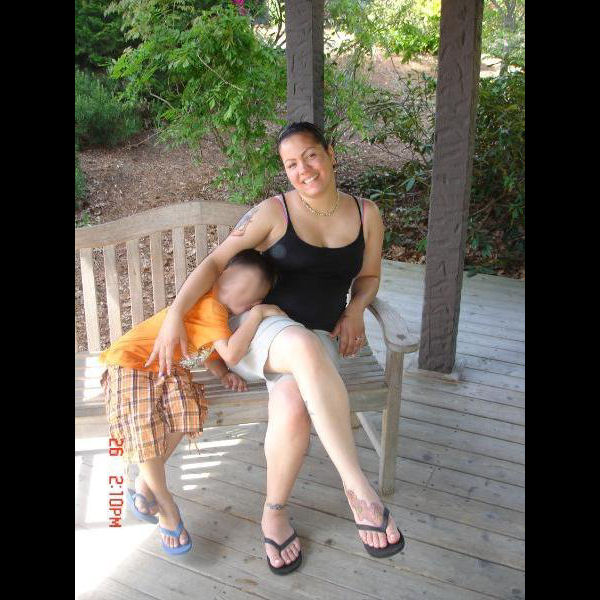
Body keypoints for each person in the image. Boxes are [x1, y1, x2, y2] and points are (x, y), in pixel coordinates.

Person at [145, 121, 405, 573]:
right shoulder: (274, 212)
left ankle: (274, 512)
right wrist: (174, 314)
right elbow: (215, 263)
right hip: (257, 332)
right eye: (291, 164)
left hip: (320, 338)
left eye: (310, 155)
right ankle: (358, 488)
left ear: (330, 153)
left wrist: (357, 308)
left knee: (294, 401)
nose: (303, 169)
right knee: (300, 344)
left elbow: (368, 277)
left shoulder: (367, 215)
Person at [100, 249, 283, 555]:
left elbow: (207, 349)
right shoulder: (214, 306)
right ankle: (166, 506)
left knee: (187, 411)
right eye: (246, 292)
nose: (248, 301)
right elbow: (232, 352)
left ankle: (145, 484)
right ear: (222, 277)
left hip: (166, 368)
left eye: (254, 298)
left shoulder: (215, 312)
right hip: (131, 362)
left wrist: (222, 373)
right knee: (144, 424)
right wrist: (259, 315)